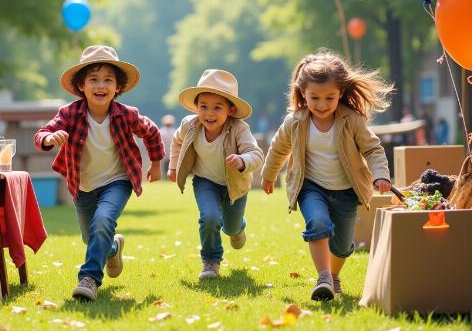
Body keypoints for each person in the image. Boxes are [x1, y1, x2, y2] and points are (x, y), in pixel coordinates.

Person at [34, 45, 164, 301]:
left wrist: (156, 163)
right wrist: (50, 137)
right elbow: (40, 135)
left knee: (103, 221)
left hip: (118, 181)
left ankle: (89, 278)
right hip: (83, 186)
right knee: (90, 236)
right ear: (82, 86)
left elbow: (151, 131)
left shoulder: (127, 115)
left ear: (118, 87)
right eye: (93, 79)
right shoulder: (69, 114)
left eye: (108, 80)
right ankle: (113, 248)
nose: (100, 85)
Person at [261, 50, 393, 301]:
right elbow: (278, 148)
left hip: (346, 190)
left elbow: (372, 149)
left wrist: (380, 175)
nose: (322, 105)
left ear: (340, 93)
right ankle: (323, 277)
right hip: (311, 187)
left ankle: (333, 276)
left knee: (342, 246)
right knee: (318, 224)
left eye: (329, 98)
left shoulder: (351, 121)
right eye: (315, 98)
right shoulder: (295, 122)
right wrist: (268, 176)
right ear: (303, 94)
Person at [168, 69, 264, 280]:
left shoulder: (239, 129)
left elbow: (256, 155)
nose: (209, 113)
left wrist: (242, 161)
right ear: (196, 107)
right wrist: (174, 167)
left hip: (234, 186)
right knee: (209, 217)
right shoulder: (190, 125)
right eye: (203, 107)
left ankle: (238, 228)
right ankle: (211, 261)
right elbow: (176, 142)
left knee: (230, 227)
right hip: (205, 181)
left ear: (230, 110)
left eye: (217, 107)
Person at [159, 114, 177, 178]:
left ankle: (166, 177)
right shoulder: (175, 131)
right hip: (173, 151)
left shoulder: (161, 131)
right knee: (172, 165)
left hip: (164, 151)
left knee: (165, 165)